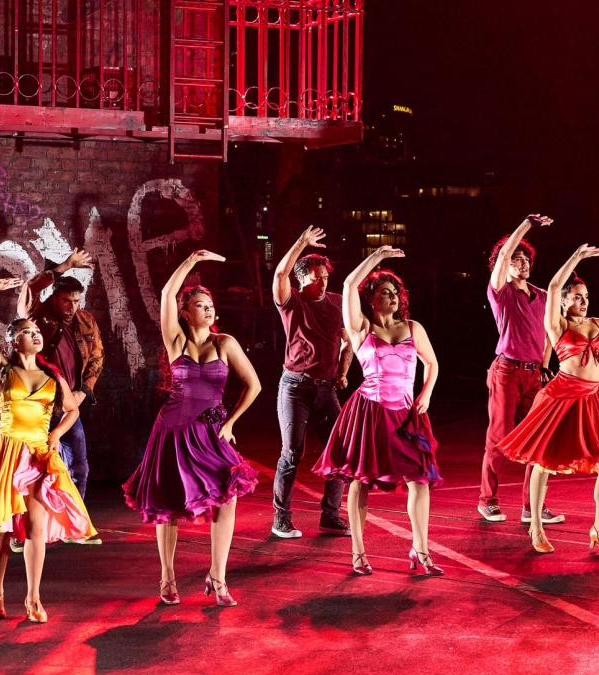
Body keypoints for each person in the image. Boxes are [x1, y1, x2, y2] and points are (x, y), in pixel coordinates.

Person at [0, 277, 97, 624]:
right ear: (14, 341)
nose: (37, 335)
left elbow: (73, 408)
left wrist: (57, 433)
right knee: (2, 529)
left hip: (40, 454)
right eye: (28, 332)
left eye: (37, 332)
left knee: (36, 528)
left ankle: (33, 598)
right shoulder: (2, 370)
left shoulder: (50, 374)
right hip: (7, 451)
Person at [123, 250, 260, 607]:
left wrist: (230, 423)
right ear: (186, 312)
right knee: (168, 504)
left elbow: (254, 385)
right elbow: (167, 294)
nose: (208, 308)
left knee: (226, 499)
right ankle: (167, 577)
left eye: (210, 303)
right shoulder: (176, 342)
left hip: (211, 433)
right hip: (171, 430)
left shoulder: (224, 343)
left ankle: (218, 577)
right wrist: (192, 261)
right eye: (200, 304)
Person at [314, 247, 444, 577]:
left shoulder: (413, 328)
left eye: (395, 292)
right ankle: (358, 551)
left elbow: (432, 364)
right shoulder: (360, 329)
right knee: (360, 479)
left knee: (419, 480)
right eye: (385, 292)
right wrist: (376, 257)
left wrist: (426, 392)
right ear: (372, 298)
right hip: (369, 411)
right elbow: (346, 287)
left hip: (406, 413)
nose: (393, 297)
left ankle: (420, 549)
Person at [497, 245, 599, 554]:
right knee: (544, 463)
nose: (583, 302)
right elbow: (555, 286)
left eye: (586, 297)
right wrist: (576, 258)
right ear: (565, 301)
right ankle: (536, 527)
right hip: (561, 398)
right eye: (577, 297)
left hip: (592, 402)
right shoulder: (557, 325)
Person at [479, 215, 565, 525]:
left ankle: (533, 506)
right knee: (500, 436)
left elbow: (546, 335)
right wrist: (526, 225)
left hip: (534, 373)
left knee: (538, 438)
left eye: (525, 258)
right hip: (506, 371)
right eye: (516, 259)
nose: (521, 262)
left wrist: (545, 366)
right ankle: (487, 500)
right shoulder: (500, 291)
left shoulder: (542, 296)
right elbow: (503, 254)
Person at [17, 250, 105, 547]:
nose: (72, 306)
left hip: (68, 407)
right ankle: (20, 531)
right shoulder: (37, 318)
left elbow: (97, 358)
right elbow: (31, 288)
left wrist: (85, 391)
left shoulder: (86, 321)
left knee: (78, 467)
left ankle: (70, 525)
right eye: (67, 300)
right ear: (55, 297)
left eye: (77, 300)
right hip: (36, 407)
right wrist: (65, 265)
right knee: (27, 472)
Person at [270, 226, 352, 539]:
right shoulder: (292, 302)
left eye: (325, 278)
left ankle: (330, 516)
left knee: (341, 450)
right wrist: (301, 241)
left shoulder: (336, 302)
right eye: (315, 277)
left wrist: (343, 371)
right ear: (302, 278)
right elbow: (280, 273)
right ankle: (281, 518)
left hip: (326, 387)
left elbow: (349, 342)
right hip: (294, 387)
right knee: (292, 452)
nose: (321, 283)